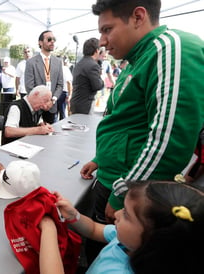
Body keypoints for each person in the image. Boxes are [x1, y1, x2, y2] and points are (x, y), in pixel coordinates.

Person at [81, 0, 204, 264]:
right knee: (97, 251)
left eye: (107, 29)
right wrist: (100, 159)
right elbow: (125, 121)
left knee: (112, 257)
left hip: (130, 192)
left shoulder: (169, 49)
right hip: (115, 178)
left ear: (138, 17)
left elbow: (168, 142)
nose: (101, 41)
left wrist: (123, 195)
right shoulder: (136, 60)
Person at [39, 180, 204, 274]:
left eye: (126, 214)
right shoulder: (126, 241)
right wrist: (74, 215)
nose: (116, 214)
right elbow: (95, 229)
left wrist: (48, 229)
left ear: (154, 241)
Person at [25, 30, 64, 124]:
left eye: (54, 39)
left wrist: (53, 100)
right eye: (49, 39)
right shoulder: (31, 62)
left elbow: (60, 84)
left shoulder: (58, 62)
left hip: (52, 107)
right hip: (36, 108)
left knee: (51, 135)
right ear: (40, 42)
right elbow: (29, 86)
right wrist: (42, 103)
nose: (52, 42)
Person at [69, 38, 104, 114]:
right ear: (97, 50)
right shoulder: (93, 65)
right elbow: (97, 86)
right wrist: (102, 80)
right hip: (85, 105)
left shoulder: (79, 64)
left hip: (76, 102)